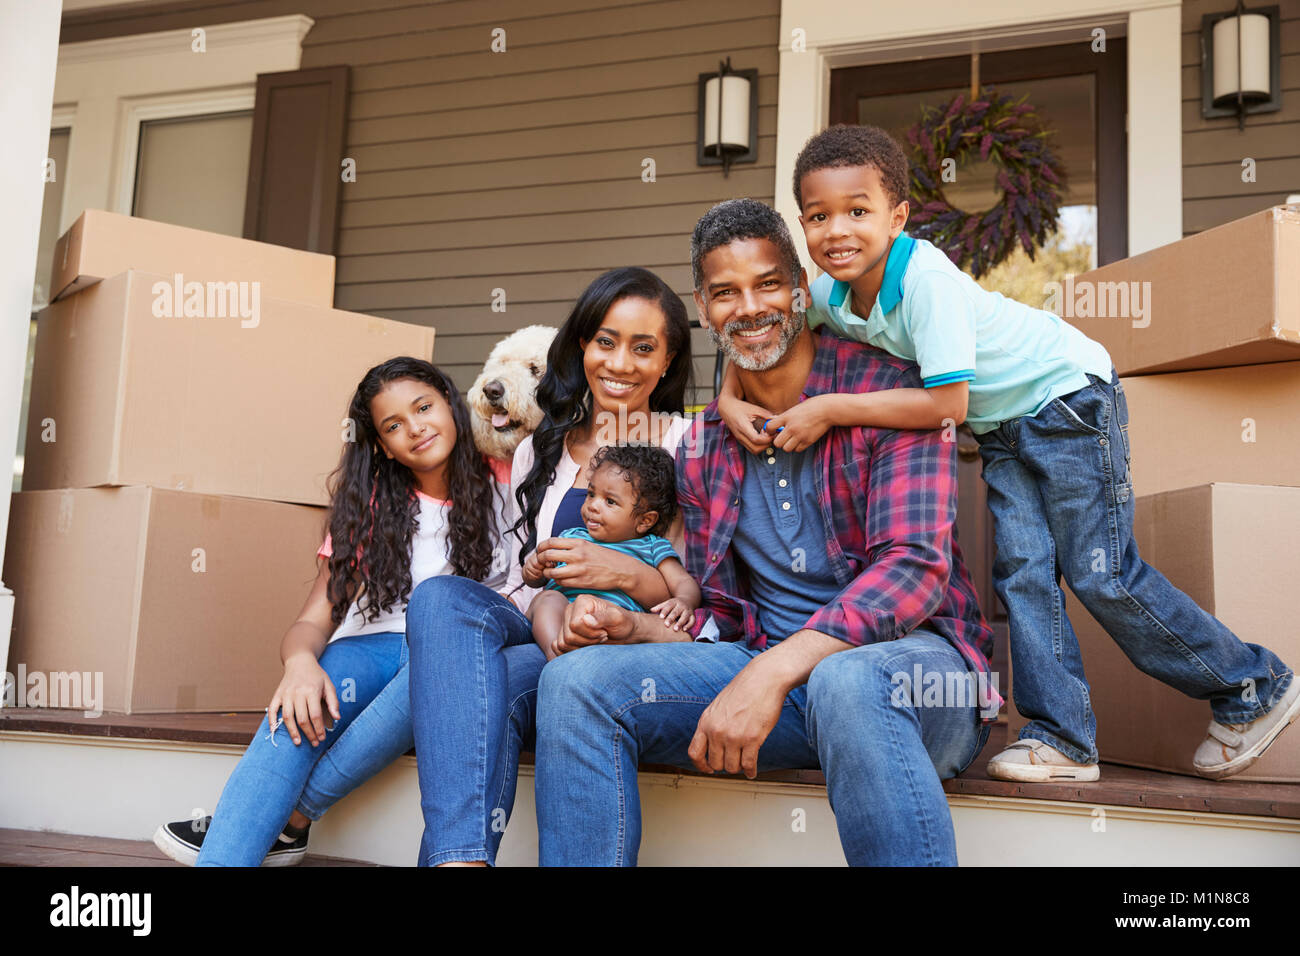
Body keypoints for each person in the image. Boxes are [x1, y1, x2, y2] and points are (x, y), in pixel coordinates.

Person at [716, 124, 1298, 782]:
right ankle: (1064, 739)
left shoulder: (925, 281)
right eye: (819, 217)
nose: (838, 230)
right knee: (1022, 573)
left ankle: (1255, 683)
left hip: (1067, 399)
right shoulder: (828, 293)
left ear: (897, 217)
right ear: (802, 225)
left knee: (1099, 572)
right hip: (1005, 428)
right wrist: (729, 397)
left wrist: (828, 408)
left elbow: (947, 406)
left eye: (858, 211)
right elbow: (758, 327)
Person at [532, 199, 998, 866]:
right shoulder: (703, 446)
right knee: (575, 683)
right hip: (765, 674)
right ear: (704, 307)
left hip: (916, 678)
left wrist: (774, 671)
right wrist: (638, 626)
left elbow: (912, 570)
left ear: (801, 291)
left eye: (768, 284)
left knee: (848, 683)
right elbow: (716, 611)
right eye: (725, 293)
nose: (748, 307)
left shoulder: (888, 393)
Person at [153, 358, 509, 866]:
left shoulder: (505, 478)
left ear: (451, 403)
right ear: (383, 445)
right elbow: (313, 620)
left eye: (424, 407)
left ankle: (291, 818)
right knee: (297, 713)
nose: (416, 428)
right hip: (370, 650)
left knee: (439, 672)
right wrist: (299, 664)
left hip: (449, 652)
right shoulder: (372, 505)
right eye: (394, 426)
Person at [403, 266, 696, 866]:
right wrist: (544, 612)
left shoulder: (689, 443)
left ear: (667, 363)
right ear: (582, 345)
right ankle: (461, 861)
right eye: (605, 341)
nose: (620, 362)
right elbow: (518, 577)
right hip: (548, 627)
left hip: (632, 640)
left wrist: (611, 573)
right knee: (438, 600)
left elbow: (690, 591)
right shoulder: (543, 446)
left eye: (644, 348)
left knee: (495, 682)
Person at [524, 443, 701, 658]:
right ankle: (556, 653)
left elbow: (682, 582)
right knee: (547, 599)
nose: (593, 506)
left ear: (645, 521)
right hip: (560, 617)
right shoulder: (571, 537)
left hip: (611, 625)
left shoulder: (652, 547)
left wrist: (684, 600)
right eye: (591, 494)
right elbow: (538, 579)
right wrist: (534, 571)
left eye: (610, 501)